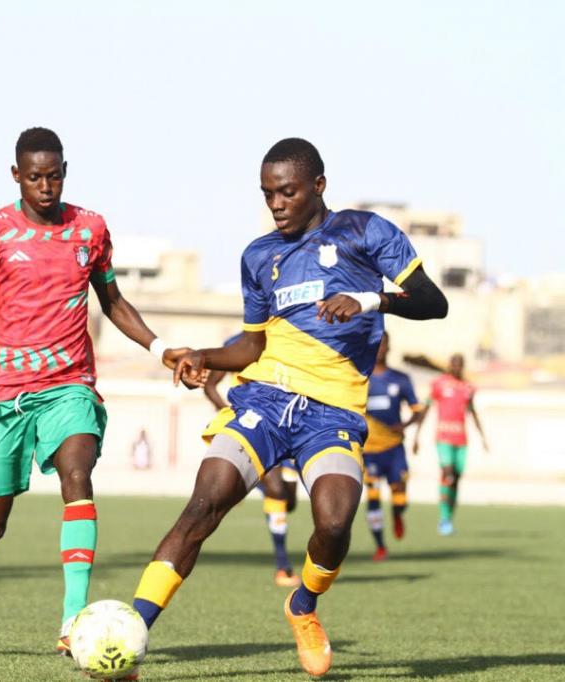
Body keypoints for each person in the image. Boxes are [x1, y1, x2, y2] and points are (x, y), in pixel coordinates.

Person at [130, 138, 448, 678]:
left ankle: (302, 605)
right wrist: (205, 356)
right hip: (264, 397)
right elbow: (251, 346)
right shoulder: (259, 256)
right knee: (203, 505)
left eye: (287, 192)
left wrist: (370, 299)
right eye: (267, 193)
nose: (276, 203)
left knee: (334, 522)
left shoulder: (364, 232)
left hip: (335, 409)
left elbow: (433, 302)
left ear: (318, 186)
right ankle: (131, 633)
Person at [0, 127, 185, 654]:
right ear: (16, 177)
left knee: (78, 472)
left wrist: (161, 348)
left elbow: (114, 302)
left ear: (65, 172)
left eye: (53, 176)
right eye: (34, 178)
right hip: (3, 394)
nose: (44, 187)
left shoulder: (90, 229)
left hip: (69, 384)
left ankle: (74, 618)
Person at [204, 333, 301, 587]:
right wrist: (231, 412)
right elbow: (210, 385)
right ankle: (283, 566)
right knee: (278, 492)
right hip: (253, 425)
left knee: (289, 501)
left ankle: (246, 482)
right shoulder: (237, 343)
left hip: (288, 425)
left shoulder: (291, 336)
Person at [362, 331, 423, 559]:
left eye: (383, 344)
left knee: (399, 493)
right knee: (373, 495)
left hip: (394, 448)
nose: (379, 348)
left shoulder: (400, 379)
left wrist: (405, 426)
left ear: (389, 348)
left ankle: (398, 514)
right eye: (375, 344)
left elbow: (418, 411)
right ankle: (380, 546)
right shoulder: (360, 378)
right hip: (369, 450)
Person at [413, 353, 488, 536]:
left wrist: (483, 437)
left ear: (462, 366)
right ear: (449, 365)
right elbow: (426, 409)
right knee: (447, 473)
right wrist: (416, 435)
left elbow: (473, 411)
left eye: (459, 365)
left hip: (461, 440)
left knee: (456, 479)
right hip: (443, 437)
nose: (456, 368)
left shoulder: (467, 387)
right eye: (453, 364)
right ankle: (444, 519)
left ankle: (449, 517)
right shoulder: (439, 384)